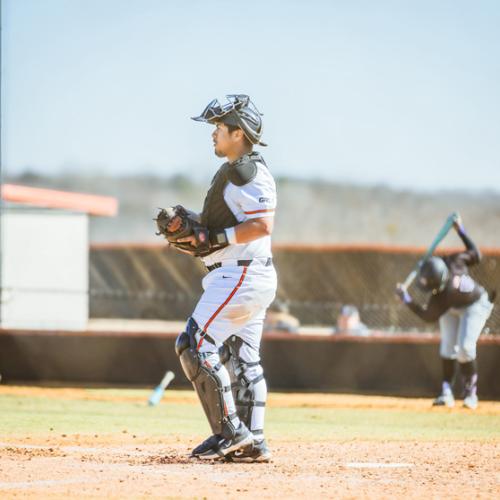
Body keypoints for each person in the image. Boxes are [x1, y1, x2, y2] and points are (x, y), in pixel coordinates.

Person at [172, 95, 277, 462]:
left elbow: (262, 225)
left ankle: (230, 431)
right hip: (247, 273)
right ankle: (253, 442)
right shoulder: (241, 170)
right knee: (243, 359)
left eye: (219, 128)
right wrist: (199, 228)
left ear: (238, 132)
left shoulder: (245, 170)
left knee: (194, 343)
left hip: (240, 275)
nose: (213, 134)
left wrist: (213, 239)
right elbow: (233, 225)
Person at [396, 214, 494, 410]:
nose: (433, 292)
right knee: (447, 348)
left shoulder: (442, 294)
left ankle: (470, 394)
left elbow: (426, 316)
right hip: (452, 308)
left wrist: (406, 299)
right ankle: (446, 392)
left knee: (465, 348)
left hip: (475, 305)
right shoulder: (449, 262)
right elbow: (475, 253)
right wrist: (460, 231)